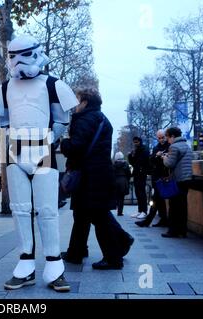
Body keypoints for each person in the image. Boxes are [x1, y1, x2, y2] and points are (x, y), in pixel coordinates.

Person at [0, 35, 77, 292]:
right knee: (20, 210)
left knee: (47, 210)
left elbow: (61, 119)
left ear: (36, 53)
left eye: (24, 54)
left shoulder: (53, 85)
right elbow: (4, 121)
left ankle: (54, 265)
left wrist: (50, 138)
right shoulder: (4, 88)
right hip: (15, 150)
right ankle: (26, 263)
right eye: (13, 55)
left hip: (43, 149)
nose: (18, 61)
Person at [60, 87, 134, 270]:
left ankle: (114, 257)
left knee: (98, 217)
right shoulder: (101, 118)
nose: (74, 105)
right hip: (97, 174)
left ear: (84, 102)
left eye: (77, 100)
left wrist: (63, 142)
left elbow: (76, 147)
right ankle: (76, 252)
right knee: (83, 214)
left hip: (90, 176)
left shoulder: (85, 119)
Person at [161, 127, 192, 238]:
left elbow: (169, 164)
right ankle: (182, 230)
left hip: (177, 180)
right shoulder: (187, 146)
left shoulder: (174, 147)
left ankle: (172, 231)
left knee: (173, 206)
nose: (167, 140)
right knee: (182, 206)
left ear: (172, 136)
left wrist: (164, 157)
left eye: (167, 137)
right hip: (187, 179)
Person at [136, 130, 169, 227]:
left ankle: (147, 221)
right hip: (157, 177)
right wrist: (156, 156)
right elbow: (151, 161)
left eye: (163, 137)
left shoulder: (169, 146)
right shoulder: (156, 148)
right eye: (159, 138)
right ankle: (163, 220)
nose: (161, 139)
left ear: (166, 137)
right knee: (159, 200)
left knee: (156, 199)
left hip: (164, 177)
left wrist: (161, 156)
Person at [128, 136, 150, 219]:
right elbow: (133, 163)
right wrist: (131, 156)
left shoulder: (144, 149)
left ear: (140, 142)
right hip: (137, 173)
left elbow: (142, 161)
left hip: (142, 173)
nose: (135, 144)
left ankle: (144, 211)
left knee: (141, 193)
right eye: (134, 142)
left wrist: (134, 155)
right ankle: (140, 211)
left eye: (136, 142)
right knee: (138, 192)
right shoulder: (136, 150)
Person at [113, 152, 131, 216]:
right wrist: (127, 180)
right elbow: (129, 174)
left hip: (115, 181)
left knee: (116, 196)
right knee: (121, 198)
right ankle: (120, 212)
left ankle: (115, 207)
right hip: (123, 181)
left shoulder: (114, 164)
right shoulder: (125, 164)